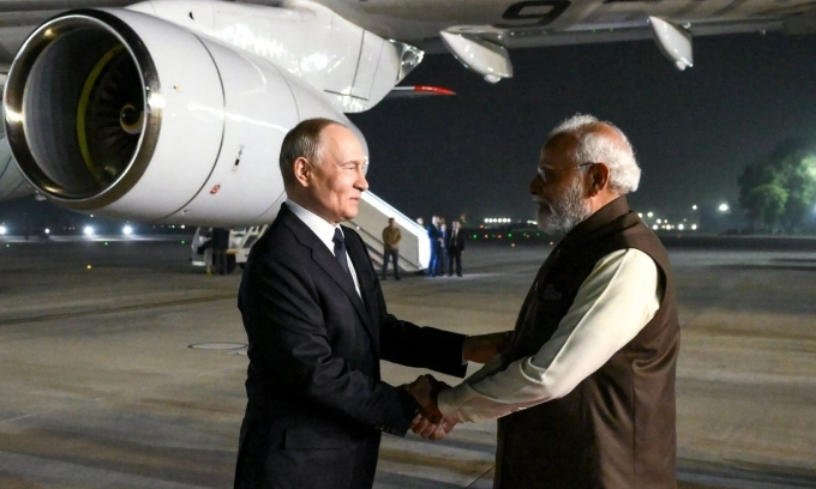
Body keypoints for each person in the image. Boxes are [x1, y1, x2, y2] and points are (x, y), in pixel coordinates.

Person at [233, 118, 507, 489]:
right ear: (303, 171)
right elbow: (314, 372)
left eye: (364, 169)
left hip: (348, 453)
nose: (364, 183)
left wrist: (467, 348)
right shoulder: (277, 258)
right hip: (297, 466)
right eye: (351, 168)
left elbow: (380, 330)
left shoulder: (349, 244)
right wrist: (409, 404)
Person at [418, 114, 681, 488]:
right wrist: (455, 401)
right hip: (557, 465)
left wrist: (448, 406)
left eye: (548, 174)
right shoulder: (583, 246)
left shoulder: (627, 258)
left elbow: (549, 374)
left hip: (602, 473)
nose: (533, 186)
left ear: (596, 178)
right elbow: (530, 350)